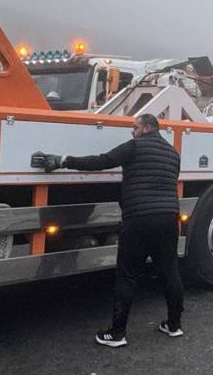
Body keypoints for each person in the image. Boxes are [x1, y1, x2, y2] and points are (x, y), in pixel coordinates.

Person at [32, 113, 183, 347]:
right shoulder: (173, 153)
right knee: (170, 271)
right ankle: (174, 325)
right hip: (168, 219)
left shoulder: (134, 147)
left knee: (128, 276)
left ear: (145, 128)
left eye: (134, 127)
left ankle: (117, 334)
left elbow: (100, 161)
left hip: (139, 219)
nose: (132, 131)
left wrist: (63, 160)